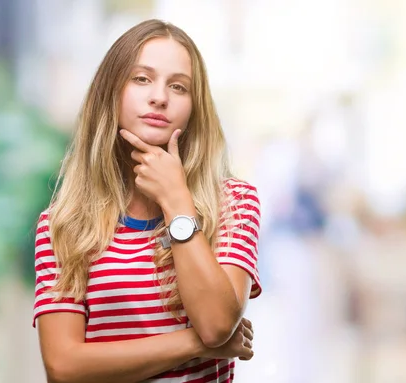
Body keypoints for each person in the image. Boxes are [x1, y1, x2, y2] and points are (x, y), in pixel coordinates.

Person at [32, 19, 262, 383]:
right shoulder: (63, 225)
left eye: (178, 86)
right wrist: (194, 343)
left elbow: (217, 325)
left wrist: (176, 201)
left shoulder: (233, 204)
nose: (160, 96)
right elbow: (64, 367)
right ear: (111, 91)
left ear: (194, 107)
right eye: (141, 79)